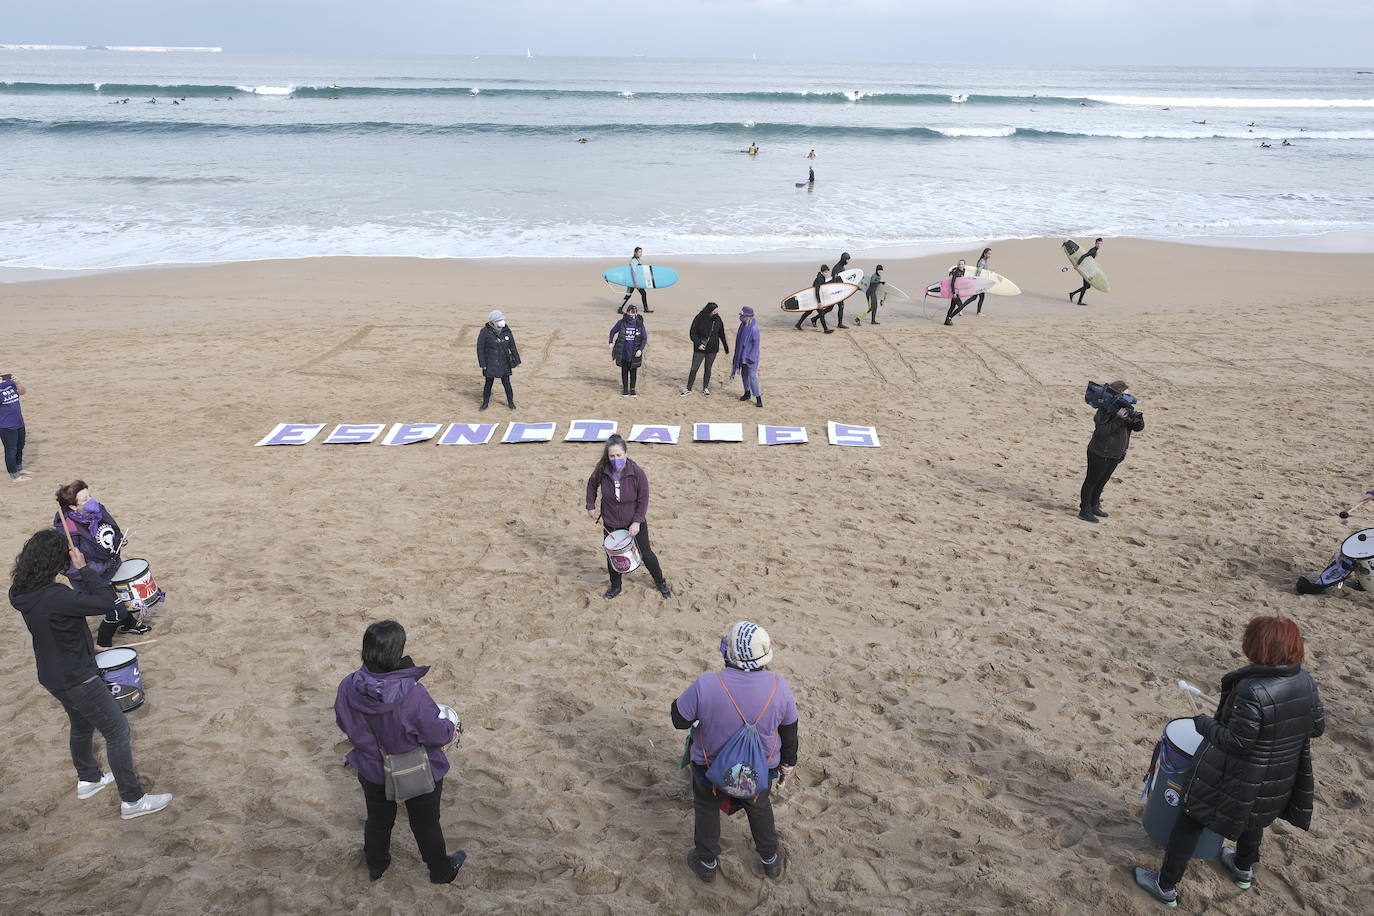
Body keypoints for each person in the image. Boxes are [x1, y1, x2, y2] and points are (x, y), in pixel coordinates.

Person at [1134, 616, 1325, 907]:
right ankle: (1242, 868)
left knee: (1191, 818)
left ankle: (1165, 885)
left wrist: (1203, 724)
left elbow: (1237, 742)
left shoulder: (1252, 690)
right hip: (1277, 778)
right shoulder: (1305, 680)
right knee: (1255, 817)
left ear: (1258, 647)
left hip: (1237, 775)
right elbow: (1316, 727)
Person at [10, 528, 173, 820]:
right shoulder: (57, 596)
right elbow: (108, 602)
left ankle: (89, 779)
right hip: (77, 677)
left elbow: (60, 627)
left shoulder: (20, 592)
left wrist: (87, 647)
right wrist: (83, 569)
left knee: (82, 725)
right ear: (57, 562)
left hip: (52, 673)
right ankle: (133, 800)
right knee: (118, 732)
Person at [334, 620, 467, 884]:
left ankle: (377, 865)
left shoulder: (347, 686)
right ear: (397, 652)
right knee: (426, 823)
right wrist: (450, 724)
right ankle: (441, 871)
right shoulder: (413, 694)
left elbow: (343, 722)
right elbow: (437, 735)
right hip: (416, 769)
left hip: (372, 768)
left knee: (378, 821)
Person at [671, 621, 799, 884]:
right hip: (758, 770)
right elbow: (789, 731)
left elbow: (678, 720)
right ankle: (770, 858)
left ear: (729, 654)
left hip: (711, 770)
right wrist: (789, 762)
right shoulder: (779, 686)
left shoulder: (706, 684)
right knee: (759, 806)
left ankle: (706, 861)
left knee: (706, 807)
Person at [53, 480, 149, 648]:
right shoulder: (68, 531)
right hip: (91, 578)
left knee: (120, 599)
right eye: (84, 499)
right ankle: (103, 644)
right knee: (115, 609)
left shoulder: (97, 509)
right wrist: (102, 567)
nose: (91, 501)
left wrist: (118, 540)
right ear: (73, 507)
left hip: (111, 568)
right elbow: (69, 567)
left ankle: (129, 625)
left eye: (89, 495)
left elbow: (111, 529)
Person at [585, 434, 671, 599]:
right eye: (612, 456)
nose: (615, 459)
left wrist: (637, 522)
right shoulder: (602, 469)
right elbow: (591, 484)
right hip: (610, 521)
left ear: (625, 453)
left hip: (633, 522)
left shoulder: (637, 472)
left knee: (646, 554)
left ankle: (660, 581)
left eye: (619, 455)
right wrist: (591, 506)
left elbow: (643, 499)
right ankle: (616, 586)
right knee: (613, 555)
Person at [1078, 380, 1144, 523]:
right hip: (1100, 453)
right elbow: (1103, 432)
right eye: (1125, 395)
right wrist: (1119, 419)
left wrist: (1137, 420)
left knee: (1103, 481)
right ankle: (1084, 510)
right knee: (1092, 481)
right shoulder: (1104, 411)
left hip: (1116, 453)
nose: (1128, 399)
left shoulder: (1127, 410)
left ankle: (1094, 505)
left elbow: (1138, 428)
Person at [681, 302, 729, 397]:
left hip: (712, 349)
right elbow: (693, 333)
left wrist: (725, 346)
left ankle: (705, 388)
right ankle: (688, 388)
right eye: (715, 310)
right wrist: (698, 344)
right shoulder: (699, 318)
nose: (717, 312)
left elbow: (721, 333)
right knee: (694, 368)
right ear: (710, 310)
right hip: (700, 348)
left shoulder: (718, 319)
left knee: (708, 368)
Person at [476, 309, 520, 411]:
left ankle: (511, 403)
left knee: (507, 383)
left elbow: (512, 346)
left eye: (502, 319)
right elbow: (480, 348)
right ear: (493, 322)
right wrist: (482, 363)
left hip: (504, 362)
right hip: (490, 362)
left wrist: (516, 360)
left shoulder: (507, 331)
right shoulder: (484, 332)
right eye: (499, 320)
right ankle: (485, 403)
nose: (502, 321)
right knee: (488, 383)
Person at [609, 304, 648, 397]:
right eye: (630, 312)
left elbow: (644, 338)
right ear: (627, 312)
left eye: (634, 312)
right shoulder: (621, 322)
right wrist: (610, 342)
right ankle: (625, 389)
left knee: (633, 372)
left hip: (634, 353)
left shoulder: (639, 324)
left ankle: (633, 389)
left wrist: (640, 350)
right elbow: (612, 331)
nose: (632, 314)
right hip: (623, 352)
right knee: (624, 371)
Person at [732, 306, 762, 408]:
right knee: (744, 375)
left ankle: (758, 398)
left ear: (747, 317)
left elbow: (756, 345)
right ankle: (747, 392)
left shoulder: (754, 328)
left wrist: (751, 357)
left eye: (742, 316)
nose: (741, 317)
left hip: (750, 357)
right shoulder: (743, 325)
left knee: (752, 377)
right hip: (742, 356)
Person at [1, 372, 28, 483]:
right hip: (6, 426)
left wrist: (18, 382)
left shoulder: (9, 383)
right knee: (11, 450)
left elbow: (22, 392)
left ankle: (18, 468)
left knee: (20, 445)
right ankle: (14, 475)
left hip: (18, 422)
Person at [814, 252, 851, 330]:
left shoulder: (842, 266)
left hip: (839, 290)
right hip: (836, 291)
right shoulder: (837, 268)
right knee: (836, 307)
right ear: (844, 259)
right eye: (847, 260)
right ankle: (839, 324)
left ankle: (815, 319)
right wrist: (836, 292)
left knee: (835, 307)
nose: (848, 261)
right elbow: (834, 280)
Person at [796, 265, 833, 333]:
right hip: (814, 299)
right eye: (826, 272)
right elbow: (817, 291)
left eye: (828, 272)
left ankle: (798, 324)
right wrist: (819, 303)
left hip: (813, 298)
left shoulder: (822, 277)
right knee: (821, 313)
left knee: (809, 312)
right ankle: (825, 329)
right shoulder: (819, 279)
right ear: (822, 272)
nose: (827, 274)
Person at [618, 247, 651, 314]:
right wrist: (635, 282)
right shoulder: (634, 260)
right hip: (632, 281)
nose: (640, 253)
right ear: (635, 253)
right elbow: (633, 272)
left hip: (636, 281)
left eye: (641, 252)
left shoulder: (637, 260)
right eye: (639, 252)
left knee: (643, 293)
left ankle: (646, 309)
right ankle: (619, 309)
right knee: (628, 295)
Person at [1070, 237, 1102, 305]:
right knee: (1086, 286)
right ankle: (1079, 301)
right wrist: (1077, 264)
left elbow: (1089, 259)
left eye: (1100, 243)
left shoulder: (1095, 250)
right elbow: (1083, 256)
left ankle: (1072, 294)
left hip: (1088, 269)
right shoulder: (1093, 250)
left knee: (1087, 286)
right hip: (1086, 270)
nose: (1099, 245)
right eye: (1098, 243)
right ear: (1095, 243)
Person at [968, 247, 992, 316]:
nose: (990, 255)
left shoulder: (985, 261)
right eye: (989, 254)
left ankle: (978, 312)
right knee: (977, 297)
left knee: (974, 297)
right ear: (985, 254)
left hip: (980, 282)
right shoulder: (982, 262)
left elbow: (984, 272)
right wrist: (977, 282)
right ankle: (978, 312)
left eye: (990, 254)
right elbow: (978, 272)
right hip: (979, 282)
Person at [943, 259, 967, 326]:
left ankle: (946, 321)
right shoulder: (957, 272)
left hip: (957, 292)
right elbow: (952, 283)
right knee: (961, 306)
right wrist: (953, 293)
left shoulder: (963, 271)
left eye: (962, 264)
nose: (960, 265)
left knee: (952, 306)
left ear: (964, 265)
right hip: (954, 292)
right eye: (959, 264)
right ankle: (950, 318)